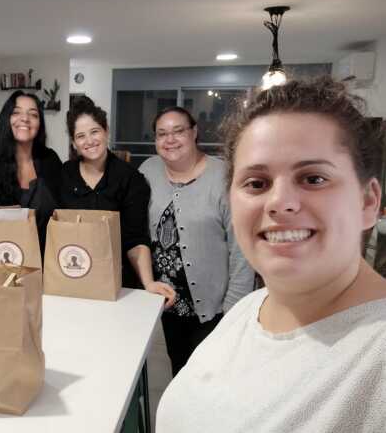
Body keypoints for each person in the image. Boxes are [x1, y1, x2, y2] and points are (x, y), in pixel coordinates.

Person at [156, 77, 386, 432]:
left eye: (313, 178)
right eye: (257, 183)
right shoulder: (249, 311)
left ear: (368, 201)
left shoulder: (375, 354)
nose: (279, 202)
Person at [139, 106, 254, 375]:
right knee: (179, 371)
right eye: (162, 134)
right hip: (168, 304)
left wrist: (233, 310)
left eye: (178, 131)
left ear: (194, 132)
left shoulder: (224, 176)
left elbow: (241, 249)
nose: (170, 140)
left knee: (213, 376)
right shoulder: (148, 171)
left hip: (215, 308)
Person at [60, 96, 175, 305]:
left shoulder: (130, 179)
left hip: (118, 282)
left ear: (106, 131)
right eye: (80, 136)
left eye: (95, 131)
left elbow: (135, 238)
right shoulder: (63, 175)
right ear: (74, 143)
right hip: (72, 277)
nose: (89, 141)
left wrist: (148, 282)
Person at [0, 91, 62, 249]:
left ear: (40, 124)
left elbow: (62, 215)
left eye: (33, 114)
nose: (25, 118)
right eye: (16, 112)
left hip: (46, 259)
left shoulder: (51, 160)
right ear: (6, 119)